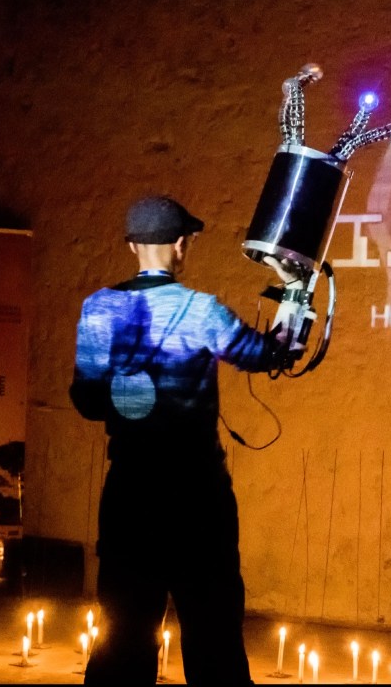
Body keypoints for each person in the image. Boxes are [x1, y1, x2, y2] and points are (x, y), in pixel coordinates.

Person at [69, 194, 304, 685]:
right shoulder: (202, 311)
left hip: (131, 495)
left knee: (123, 636)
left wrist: (128, 394)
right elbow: (271, 355)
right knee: (213, 636)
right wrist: (295, 294)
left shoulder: (98, 309)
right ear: (181, 245)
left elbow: (87, 401)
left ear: (132, 246)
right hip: (198, 498)